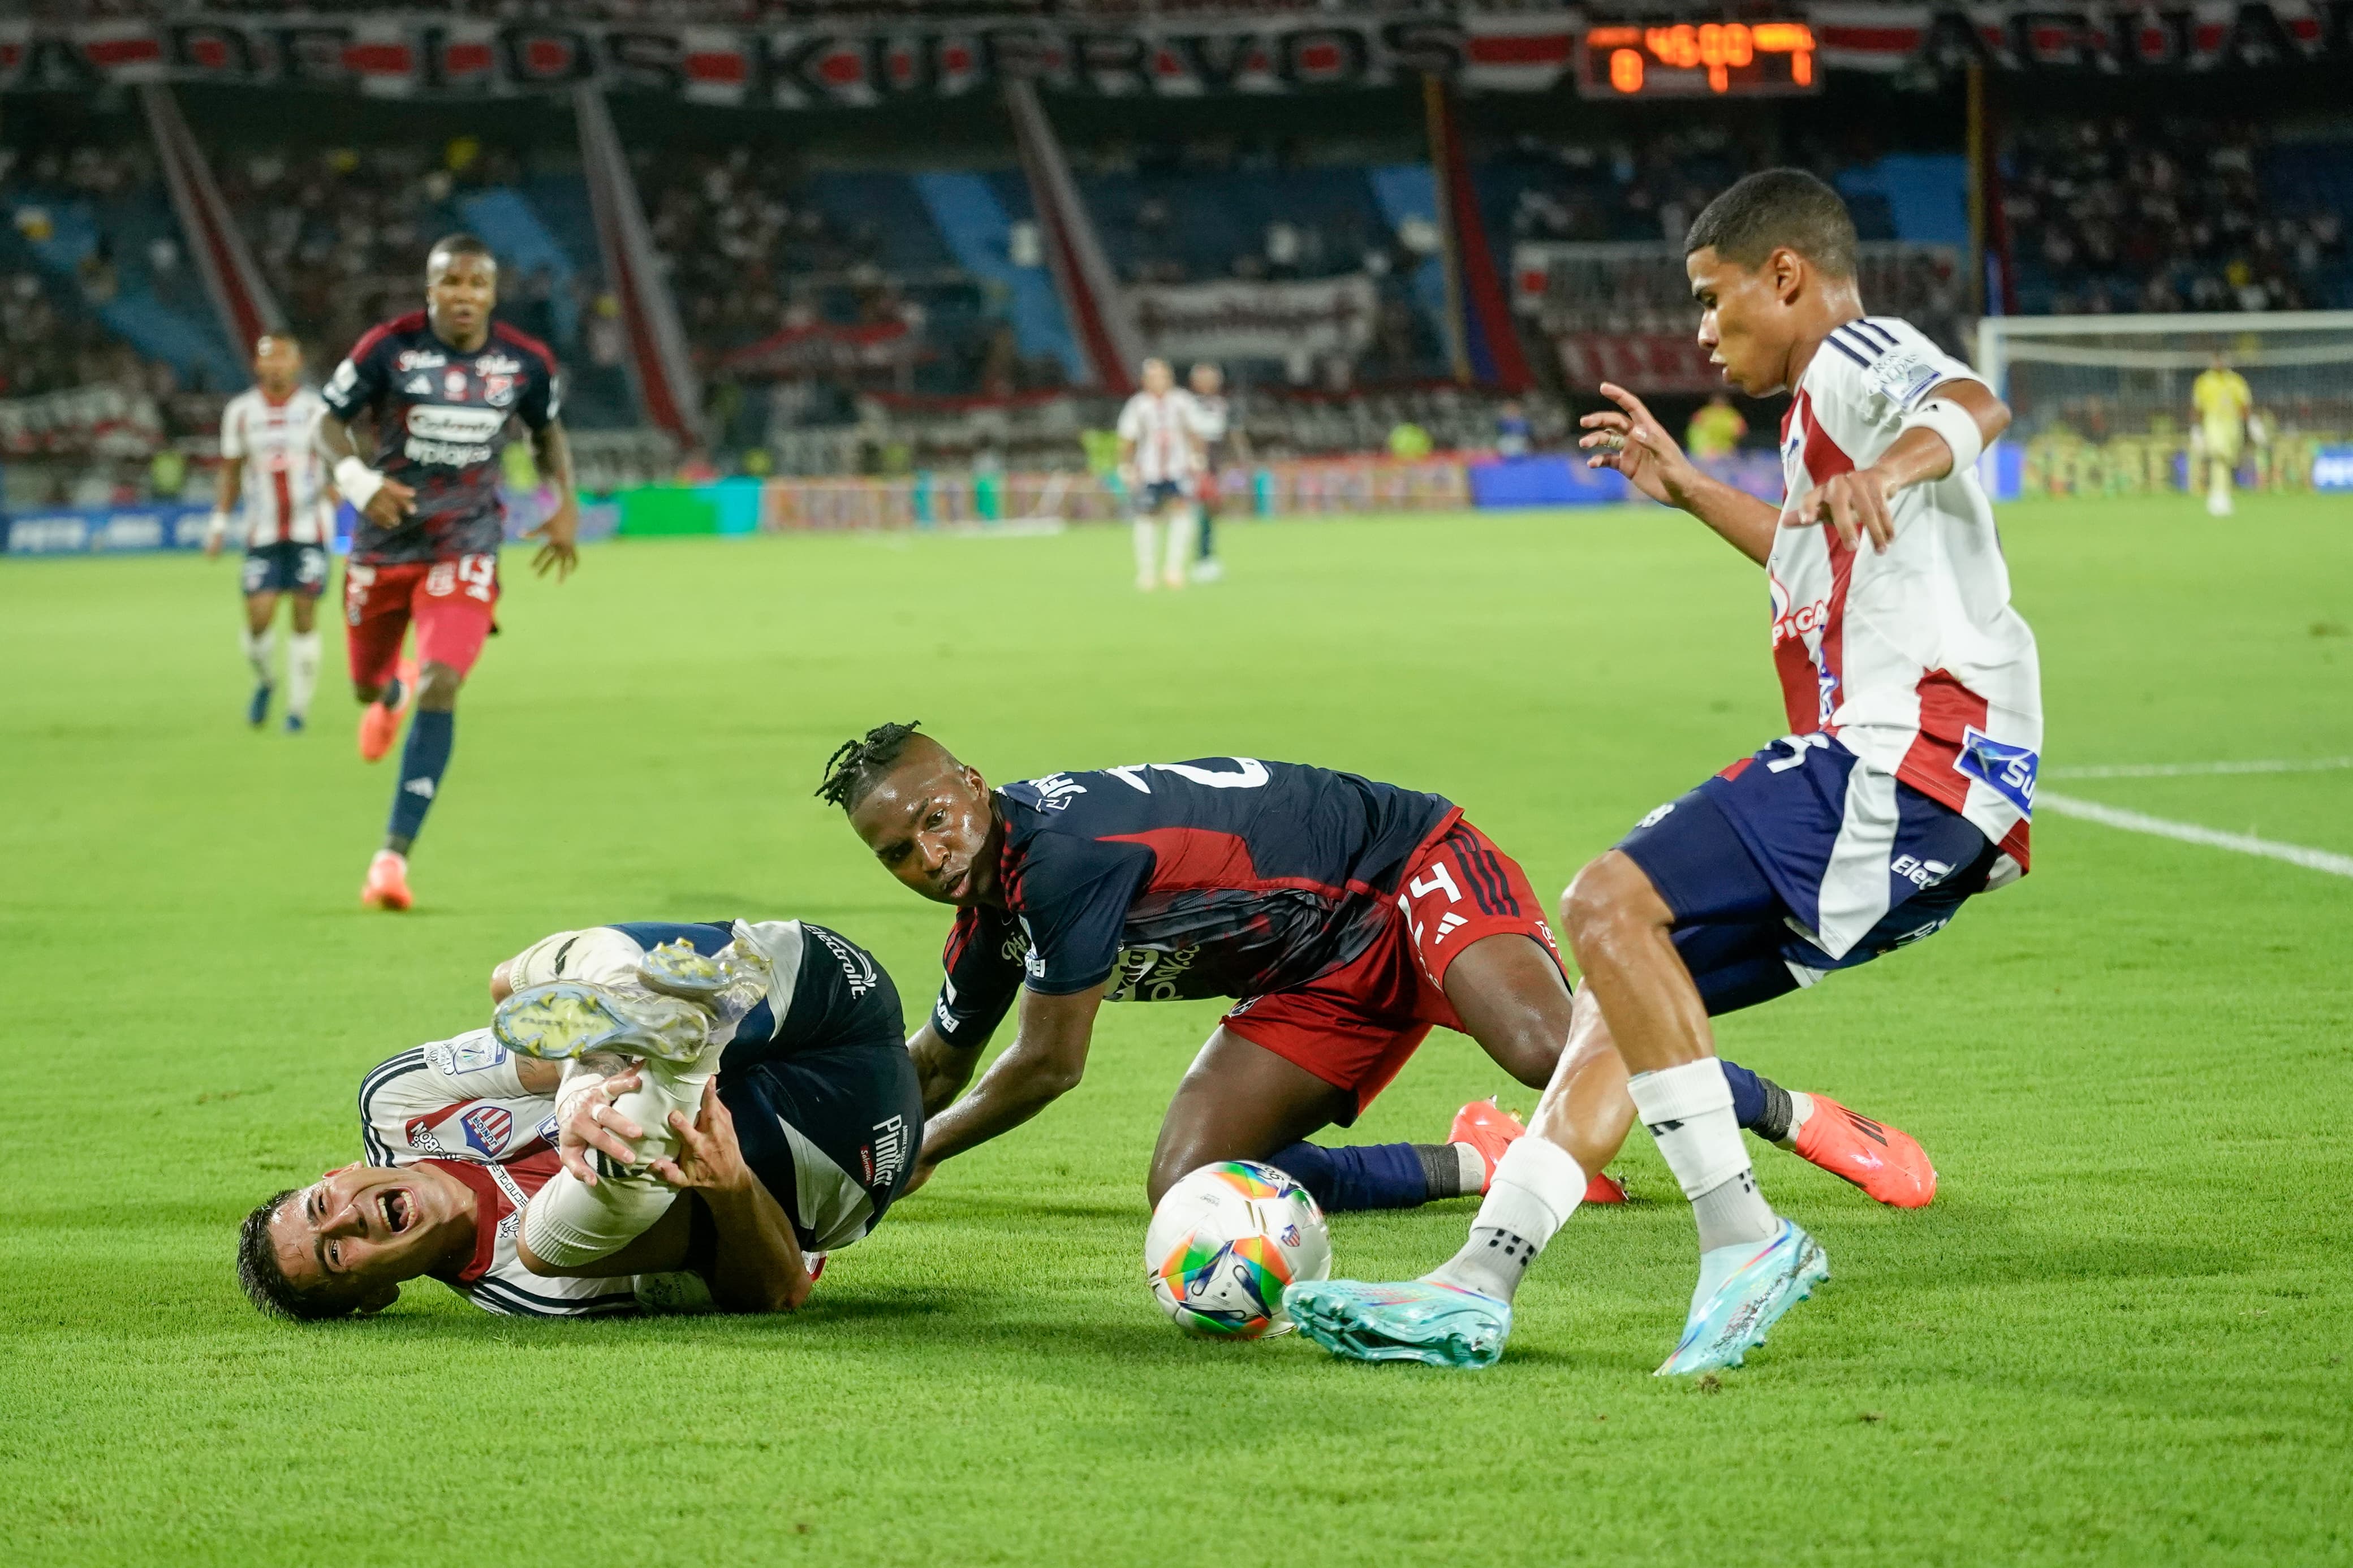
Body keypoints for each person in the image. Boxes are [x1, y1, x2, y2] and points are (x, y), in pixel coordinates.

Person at [1287, 169, 2037, 1376]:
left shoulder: (1852, 355)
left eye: (1711, 297)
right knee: (1621, 999)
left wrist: (1889, 472)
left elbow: (1968, 401)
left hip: (1904, 754)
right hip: (1930, 792)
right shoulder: (1811, 425)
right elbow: (1805, 551)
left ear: (1782, 275)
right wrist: (1689, 487)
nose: (1699, 330)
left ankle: (1741, 1235)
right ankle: (1478, 1282)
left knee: (1603, 903)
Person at [817, 722, 1932, 1224]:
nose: (932, 851)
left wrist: (911, 1161)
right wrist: (828, 1152)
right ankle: (1483, 1158)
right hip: (1317, 965)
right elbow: (933, 1059)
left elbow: (1045, 1068)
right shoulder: (988, 918)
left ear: (971, 782)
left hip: (1404, 870)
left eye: (936, 816)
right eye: (899, 851)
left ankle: (1790, 1112)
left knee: (1548, 1048)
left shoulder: (1059, 857)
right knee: (1189, 1187)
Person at [235, 917, 921, 1321]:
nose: (345, 1218)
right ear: (376, 1294)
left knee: (511, 983)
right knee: (543, 1243)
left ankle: (671, 1036)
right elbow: (778, 1289)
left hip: (807, 980)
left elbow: (536, 1047)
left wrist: (578, 1094)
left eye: (321, 1204)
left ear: (339, 1173)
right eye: (335, 1253)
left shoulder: (396, 1105)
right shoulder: (531, 1288)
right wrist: (732, 1186)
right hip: (834, 1150)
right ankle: (681, 1046)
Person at [316, 233, 581, 912]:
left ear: (492, 293)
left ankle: (391, 859)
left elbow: (547, 434)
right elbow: (328, 421)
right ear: (430, 290)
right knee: (364, 685)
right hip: (382, 543)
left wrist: (563, 509)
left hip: (466, 542)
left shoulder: (524, 363)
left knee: (443, 680)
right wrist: (355, 479)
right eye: (450, 283)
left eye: (476, 284)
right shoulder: (389, 348)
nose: (464, 295)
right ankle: (386, 693)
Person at [205, 333, 334, 733]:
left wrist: (339, 487)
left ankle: (297, 710)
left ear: (297, 363)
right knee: (259, 616)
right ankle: (264, 680)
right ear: (257, 365)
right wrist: (219, 522)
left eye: (284, 357)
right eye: (268, 358)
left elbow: (338, 453)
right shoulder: (241, 412)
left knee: (304, 612)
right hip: (261, 530)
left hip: (310, 528)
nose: (276, 365)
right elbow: (230, 469)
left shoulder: (316, 408)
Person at [1115, 358, 1202, 592]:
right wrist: (1126, 466)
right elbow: (1127, 438)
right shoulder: (1138, 405)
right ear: (1145, 381)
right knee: (1147, 517)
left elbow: (1195, 431)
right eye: (1154, 377)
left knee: (1182, 514)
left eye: (1163, 376)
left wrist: (1197, 458)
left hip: (1178, 468)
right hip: (1149, 471)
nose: (1160, 382)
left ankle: (1174, 568)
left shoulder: (1182, 402)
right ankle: (1147, 571)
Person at [1185, 362, 1247, 584]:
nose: (1211, 382)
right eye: (1205, 378)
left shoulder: (1223, 405)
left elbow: (1233, 434)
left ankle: (1206, 557)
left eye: (1213, 378)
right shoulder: (1186, 405)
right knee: (1194, 511)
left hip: (1215, 462)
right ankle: (1199, 558)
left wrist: (1241, 460)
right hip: (1193, 463)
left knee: (1211, 510)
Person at [2191, 351, 2253, 517]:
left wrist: (2251, 424)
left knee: (2228, 461)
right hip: (2213, 421)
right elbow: (2198, 407)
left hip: (2233, 423)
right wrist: (2196, 429)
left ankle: (2222, 494)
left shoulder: (2236, 381)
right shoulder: (2204, 382)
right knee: (2218, 456)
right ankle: (2218, 496)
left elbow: (2245, 405)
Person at [1686, 391, 1747, 460]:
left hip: (1726, 452)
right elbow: (1694, 433)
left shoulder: (1732, 415)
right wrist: (1703, 449)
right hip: (1705, 452)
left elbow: (1740, 431)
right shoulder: (1703, 414)